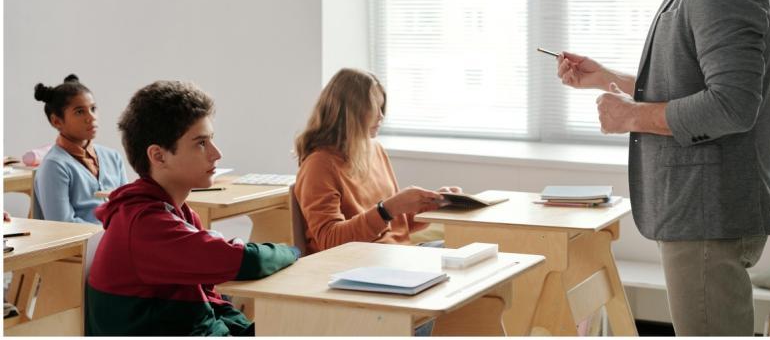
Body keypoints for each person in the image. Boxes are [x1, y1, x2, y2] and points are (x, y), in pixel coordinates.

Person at [556, 0, 770, 336]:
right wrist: (604, 77)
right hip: (703, 214)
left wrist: (629, 116)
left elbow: (732, 105)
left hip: (706, 215)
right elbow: (691, 84)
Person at [86, 80, 300, 336]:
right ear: (158, 156)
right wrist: (295, 251)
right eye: (201, 143)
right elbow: (248, 261)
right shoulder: (145, 224)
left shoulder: (179, 212)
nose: (216, 153)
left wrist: (247, 331)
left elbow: (210, 301)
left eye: (212, 140)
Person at [293, 68, 461, 255]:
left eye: (382, 108)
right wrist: (386, 209)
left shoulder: (375, 149)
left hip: (398, 253)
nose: (381, 116)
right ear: (350, 113)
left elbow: (397, 226)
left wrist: (432, 204)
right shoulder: (319, 165)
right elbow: (330, 240)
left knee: (473, 249)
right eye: (374, 109)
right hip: (361, 262)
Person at [32, 74, 128, 223]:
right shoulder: (54, 166)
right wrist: (111, 232)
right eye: (79, 112)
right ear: (56, 121)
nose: (91, 117)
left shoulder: (113, 157)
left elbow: (128, 206)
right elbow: (63, 225)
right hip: (89, 239)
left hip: (119, 235)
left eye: (93, 109)